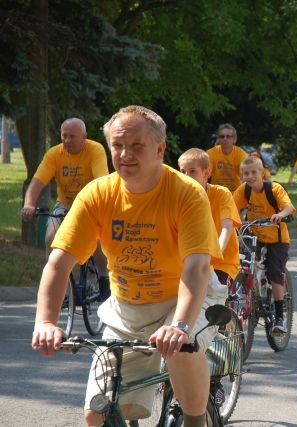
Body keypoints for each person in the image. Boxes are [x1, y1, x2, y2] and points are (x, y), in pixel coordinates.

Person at [31, 106, 223, 427]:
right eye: (118, 146)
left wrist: (179, 326)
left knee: (182, 349)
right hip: (127, 306)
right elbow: (58, 263)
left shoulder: (187, 193)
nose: (125, 155)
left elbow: (197, 268)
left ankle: (195, 420)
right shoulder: (98, 194)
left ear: (160, 149)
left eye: (136, 146)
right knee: (98, 414)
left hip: (187, 297)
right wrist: (46, 321)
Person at [21, 117, 110, 296]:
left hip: (90, 203)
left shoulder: (95, 150)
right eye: (64, 136)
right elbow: (38, 182)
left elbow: (102, 182)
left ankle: (103, 277)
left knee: (97, 240)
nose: (67, 140)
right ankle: (60, 288)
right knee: (51, 238)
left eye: (72, 136)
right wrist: (29, 204)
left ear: (84, 137)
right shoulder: (55, 154)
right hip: (65, 204)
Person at [233, 156, 296, 335]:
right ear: (242, 176)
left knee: (275, 273)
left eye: (254, 172)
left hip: (277, 239)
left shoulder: (273, 189)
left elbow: (289, 207)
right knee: (242, 265)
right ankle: (249, 298)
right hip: (254, 235)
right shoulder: (244, 190)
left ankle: (279, 317)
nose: (250, 176)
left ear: (262, 173)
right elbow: (230, 207)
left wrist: (280, 215)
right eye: (246, 173)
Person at [178, 148, 242, 289]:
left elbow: (227, 227)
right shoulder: (180, 198)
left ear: (206, 173)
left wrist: (214, 255)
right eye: (182, 172)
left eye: (192, 171)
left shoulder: (221, 194)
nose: (186, 176)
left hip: (221, 262)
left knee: (215, 298)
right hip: (193, 261)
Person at [207, 123, 247, 192]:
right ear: (218, 139)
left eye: (228, 136)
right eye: (222, 136)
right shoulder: (210, 153)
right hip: (217, 192)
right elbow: (205, 175)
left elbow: (244, 176)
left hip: (235, 192)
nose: (225, 139)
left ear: (234, 139)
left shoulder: (240, 153)